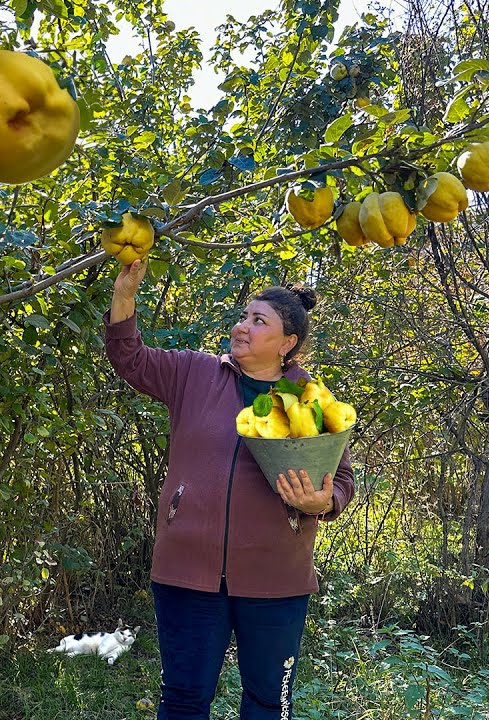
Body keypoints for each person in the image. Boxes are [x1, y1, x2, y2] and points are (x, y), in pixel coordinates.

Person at [104, 260, 355, 720]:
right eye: (244, 316)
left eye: (259, 321)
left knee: (269, 703)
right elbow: (131, 359)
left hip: (276, 577)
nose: (242, 327)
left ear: (288, 343)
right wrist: (124, 296)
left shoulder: (310, 398)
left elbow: (341, 479)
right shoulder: (194, 374)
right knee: (183, 699)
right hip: (187, 571)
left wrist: (324, 502)